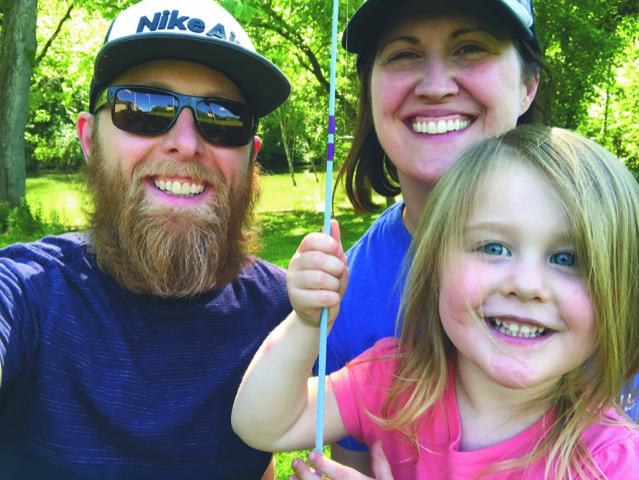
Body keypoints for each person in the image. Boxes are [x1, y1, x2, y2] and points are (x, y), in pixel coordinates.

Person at [232, 125, 639, 480]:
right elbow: (261, 425)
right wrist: (306, 324)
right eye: (494, 247)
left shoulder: (612, 459)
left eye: (567, 259)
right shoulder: (393, 382)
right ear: (435, 268)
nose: (528, 285)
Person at [0, 0, 292, 478]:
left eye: (222, 119)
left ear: (251, 156)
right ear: (90, 138)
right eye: (142, 107)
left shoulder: (289, 315)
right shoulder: (29, 293)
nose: (187, 142)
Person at [324, 0, 549, 470]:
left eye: (470, 48)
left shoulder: (609, 255)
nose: (435, 86)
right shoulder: (343, 292)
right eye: (404, 54)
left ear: (528, 85)